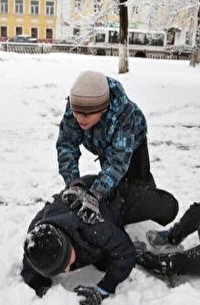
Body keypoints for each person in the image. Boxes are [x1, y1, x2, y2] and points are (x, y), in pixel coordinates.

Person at [21, 175, 178, 305]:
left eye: (66, 262)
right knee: (104, 260)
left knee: (169, 207)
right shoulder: (37, 240)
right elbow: (30, 269)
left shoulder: (90, 225)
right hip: (98, 226)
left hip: (113, 197)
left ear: (69, 243)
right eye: (61, 270)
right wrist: (42, 288)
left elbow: (125, 252)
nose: (68, 269)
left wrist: (102, 289)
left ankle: (138, 178)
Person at [56, 70, 162, 225]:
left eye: (86, 114)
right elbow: (67, 144)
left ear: (103, 108)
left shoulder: (124, 115)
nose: (79, 118)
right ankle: (119, 212)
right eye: (76, 112)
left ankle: (152, 208)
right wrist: (73, 183)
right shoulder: (78, 105)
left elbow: (117, 162)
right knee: (112, 184)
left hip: (133, 141)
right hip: (102, 144)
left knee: (138, 180)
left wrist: (96, 193)